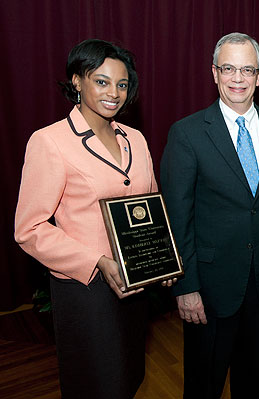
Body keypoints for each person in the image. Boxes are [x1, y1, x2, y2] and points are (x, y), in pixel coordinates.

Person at [14, 39, 173, 398]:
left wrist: (162, 258)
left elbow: (149, 205)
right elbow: (29, 230)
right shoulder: (50, 141)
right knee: (99, 385)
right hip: (86, 290)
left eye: (121, 84)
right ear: (76, 81)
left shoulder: (135, 139)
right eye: (101, 81)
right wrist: (97, 261)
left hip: (135, 286)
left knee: (129, 378)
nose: (114, 93)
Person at [160, 32, 259, 398]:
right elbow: (177, 216)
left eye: (247, 69)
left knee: (253, 380)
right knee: (204, 384)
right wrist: (185, 286)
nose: (238, 78)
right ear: (214, 73)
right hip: (209, 286)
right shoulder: (187, 134)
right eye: (229, 69)